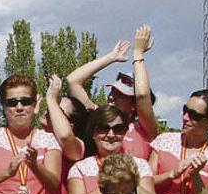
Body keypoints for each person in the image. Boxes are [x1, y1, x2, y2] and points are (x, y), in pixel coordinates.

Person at [66, 25, 157, 159]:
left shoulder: (144, 127)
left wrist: (138, 53)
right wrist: (111, 57)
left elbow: (142, 95)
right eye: (112, 91)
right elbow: (73, 81)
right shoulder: (98, 116)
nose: (111, 97)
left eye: (119, 95)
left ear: (134, 104)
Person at [67, 105, 157, 194]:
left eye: (118, 129)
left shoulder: (140, 165)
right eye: (103, 128)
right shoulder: (80, 168)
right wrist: (109, 184)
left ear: (125, 132)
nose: (111, 135)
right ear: (93, 133)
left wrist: (128, 180)